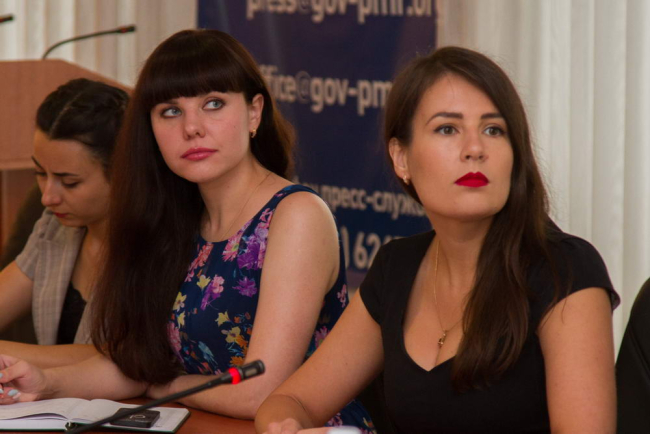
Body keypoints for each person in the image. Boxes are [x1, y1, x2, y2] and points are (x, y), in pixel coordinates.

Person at [0, 29, 372, 429]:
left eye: (213, 104)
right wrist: (47, 384)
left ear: (254, 112)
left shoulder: (295, 215)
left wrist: (165, 384)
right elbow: (136, 364)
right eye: (170, 111)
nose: (192, 128)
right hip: (200, 422)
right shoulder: (172, 218)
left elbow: (260, 391)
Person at [255, 46, 619, 433]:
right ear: (401, 158)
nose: (475, 149)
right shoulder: (397, 266)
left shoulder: (566, 270)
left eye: (493, 130)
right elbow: (290, 401)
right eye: (448, 129)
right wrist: (285, 427)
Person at [0, 79, 128, 368]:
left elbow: (120, 357)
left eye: (69, 182)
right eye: (39, 173)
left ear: (123, 174)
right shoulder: (55, 226)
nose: (47, 197)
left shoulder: (157, 245)